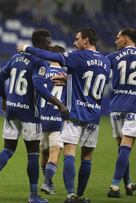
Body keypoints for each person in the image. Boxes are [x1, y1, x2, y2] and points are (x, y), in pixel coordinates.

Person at [18, 27, 111, 203]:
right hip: (94, 117)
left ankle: (70, 196)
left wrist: (26, 48)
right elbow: (90, 82)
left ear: (86, 40)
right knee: (87, 157)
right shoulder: (106, 61)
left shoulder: (78, 56)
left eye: (77, 39)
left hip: (75, 114)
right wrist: (68, 80)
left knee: (69, 153)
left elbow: (52, 56)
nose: (75, 43)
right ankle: (81, 196)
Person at [0, 30, 68, 203]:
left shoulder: (16, 58)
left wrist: (5, 98)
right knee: (33, 154)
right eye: (48, 42)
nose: (50, 45)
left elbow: (0, 78)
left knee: (8, 149)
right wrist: (59, 104)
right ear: (40, 43)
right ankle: (33, 196)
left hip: (12, 109)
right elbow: (39, 86)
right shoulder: (40, 61)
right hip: (29, 112)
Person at [107, 28, 136, 198]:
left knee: (122, 148)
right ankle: (115, 186)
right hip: (134, 106)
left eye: (118, 38)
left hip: (116, 106)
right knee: (126, 146)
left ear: (125, 39)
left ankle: (128, 184)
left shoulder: (111, 57)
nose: (115, 41)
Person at [39, 45, 66, 195]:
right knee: (54, 152)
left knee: (43, 153)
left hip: (41, 119)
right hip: (57, 118)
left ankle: (47, 182)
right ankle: (47, 183)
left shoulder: (42, 71)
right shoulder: (65, 74)